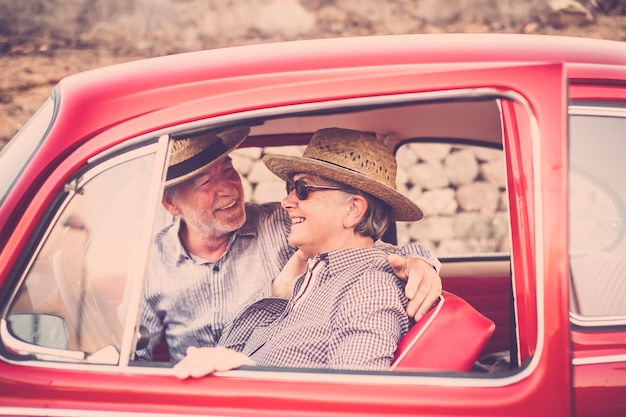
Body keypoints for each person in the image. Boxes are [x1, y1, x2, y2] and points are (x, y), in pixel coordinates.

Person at [135, 125, 442, 363]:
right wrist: (279, 290)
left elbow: (357, 247)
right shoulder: (151, 261)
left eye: (229, 171)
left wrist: (417, 262)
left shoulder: (283, 225)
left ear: (353, 208)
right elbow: (134, 352)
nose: (228, 189)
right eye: (205, 182)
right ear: (170, 204)